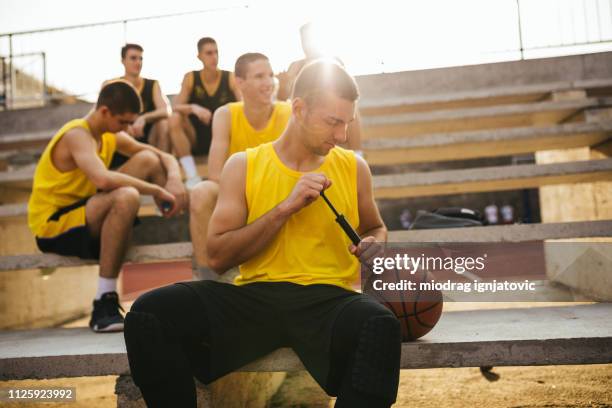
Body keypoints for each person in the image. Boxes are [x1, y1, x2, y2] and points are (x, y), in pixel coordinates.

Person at [124, 61, 401, 407]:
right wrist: (285, 208)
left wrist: (376, 243)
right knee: (150, 313)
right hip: (254, 299)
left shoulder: (354, 167)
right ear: (298, 109)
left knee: (380, 324)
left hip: (328, 301)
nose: (342, 135)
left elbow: (375, 226)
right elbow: (219, 256)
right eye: (333, 121)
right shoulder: (244, 165)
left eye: (348, 123)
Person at [28, 80, 188, 333]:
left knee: (146, 158)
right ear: (104, 112)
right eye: (123, 122)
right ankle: (103, 302)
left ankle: (173, 213)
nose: (128, 128)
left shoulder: (108, 134)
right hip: (54, 224)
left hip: (87, 209)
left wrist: (174, 180)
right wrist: (157, 190)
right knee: (126, 196)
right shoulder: (77, 135)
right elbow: (102, 179)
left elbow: (160, 155)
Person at [189, 52, 291, 277]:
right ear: (240, 82)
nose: (268, 83)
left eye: (270, 75)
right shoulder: (225, 114)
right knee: (200, 192)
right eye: (259, 76)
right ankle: (209, 282)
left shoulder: (287, 112)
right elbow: (215, 174)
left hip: (276, 198)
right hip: (237, 198)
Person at [277, 22, 363, 152]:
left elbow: (345, 92)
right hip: (298, 110)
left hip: (328, 107)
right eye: (304, 39)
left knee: (348, 112)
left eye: (309, 38)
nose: (307, 43)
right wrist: (282, 85)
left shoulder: (332, 60)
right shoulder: (295, 65)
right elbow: (282, 98)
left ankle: (357, 152)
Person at [169, 37, 241, 188]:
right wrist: (194, 107)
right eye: (209, 53)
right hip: (197, 137)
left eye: (216, 52)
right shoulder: (191, 78)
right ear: (199, 56)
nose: (214, 57)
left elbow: (243, 104)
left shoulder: (230, 77)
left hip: (224, 136)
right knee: (174, 119)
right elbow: (175, 106)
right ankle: (191, 175)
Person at [108, 43, 172, 168]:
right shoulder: (112, 85)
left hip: (147, 137)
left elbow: (166, 111)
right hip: (122, 139)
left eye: (140, 58)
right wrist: (124, 126)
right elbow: (102, 116)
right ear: (123, 61)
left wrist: (143, 118)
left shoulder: (152, 84)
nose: (138, 62)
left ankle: (165, 168)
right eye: (133, 58)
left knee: (165, 123)